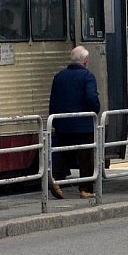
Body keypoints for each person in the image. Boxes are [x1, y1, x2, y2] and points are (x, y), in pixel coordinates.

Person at [48, 46, 100, 199]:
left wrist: (55, 120)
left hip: (62, 123)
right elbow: (91, 98)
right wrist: (95, 109)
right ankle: (86, 189)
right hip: (83, 125)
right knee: (85, 157)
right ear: (85, 61)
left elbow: (53, 101)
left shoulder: (59, 77)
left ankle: (56, 180)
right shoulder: (87, 76)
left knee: (65, 154)